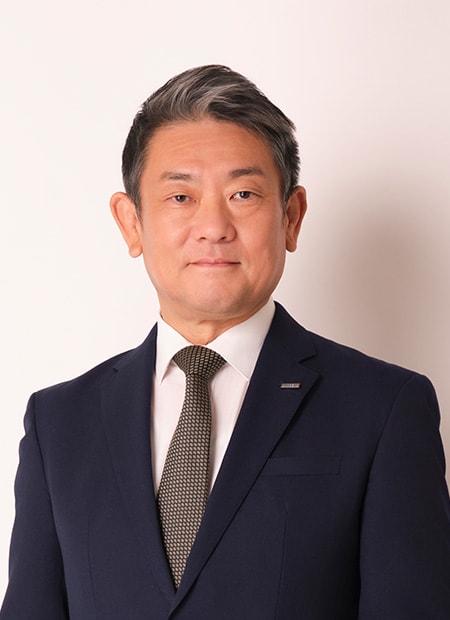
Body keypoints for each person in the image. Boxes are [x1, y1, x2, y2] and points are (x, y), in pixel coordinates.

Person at [1, 64, 449, 619]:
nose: (213, 226)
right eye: (180, 197)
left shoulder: (383, 409)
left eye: (243, 193)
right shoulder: (59, 424)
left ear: (291, 216)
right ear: (131, 223)